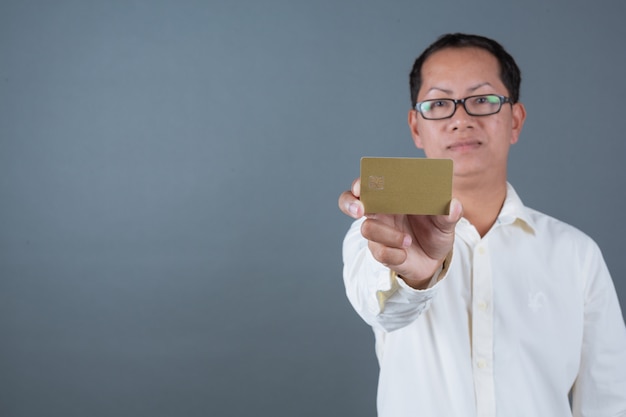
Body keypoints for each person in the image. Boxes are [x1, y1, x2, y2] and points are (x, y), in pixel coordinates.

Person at [338, 33, 626, 417]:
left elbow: (610, 398)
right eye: (439, 103)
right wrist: (415, 277)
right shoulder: (379, 231)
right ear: (415, 128)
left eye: (483, 100)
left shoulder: (576, 254)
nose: (460, 119)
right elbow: (383, 310)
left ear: (515, 120)